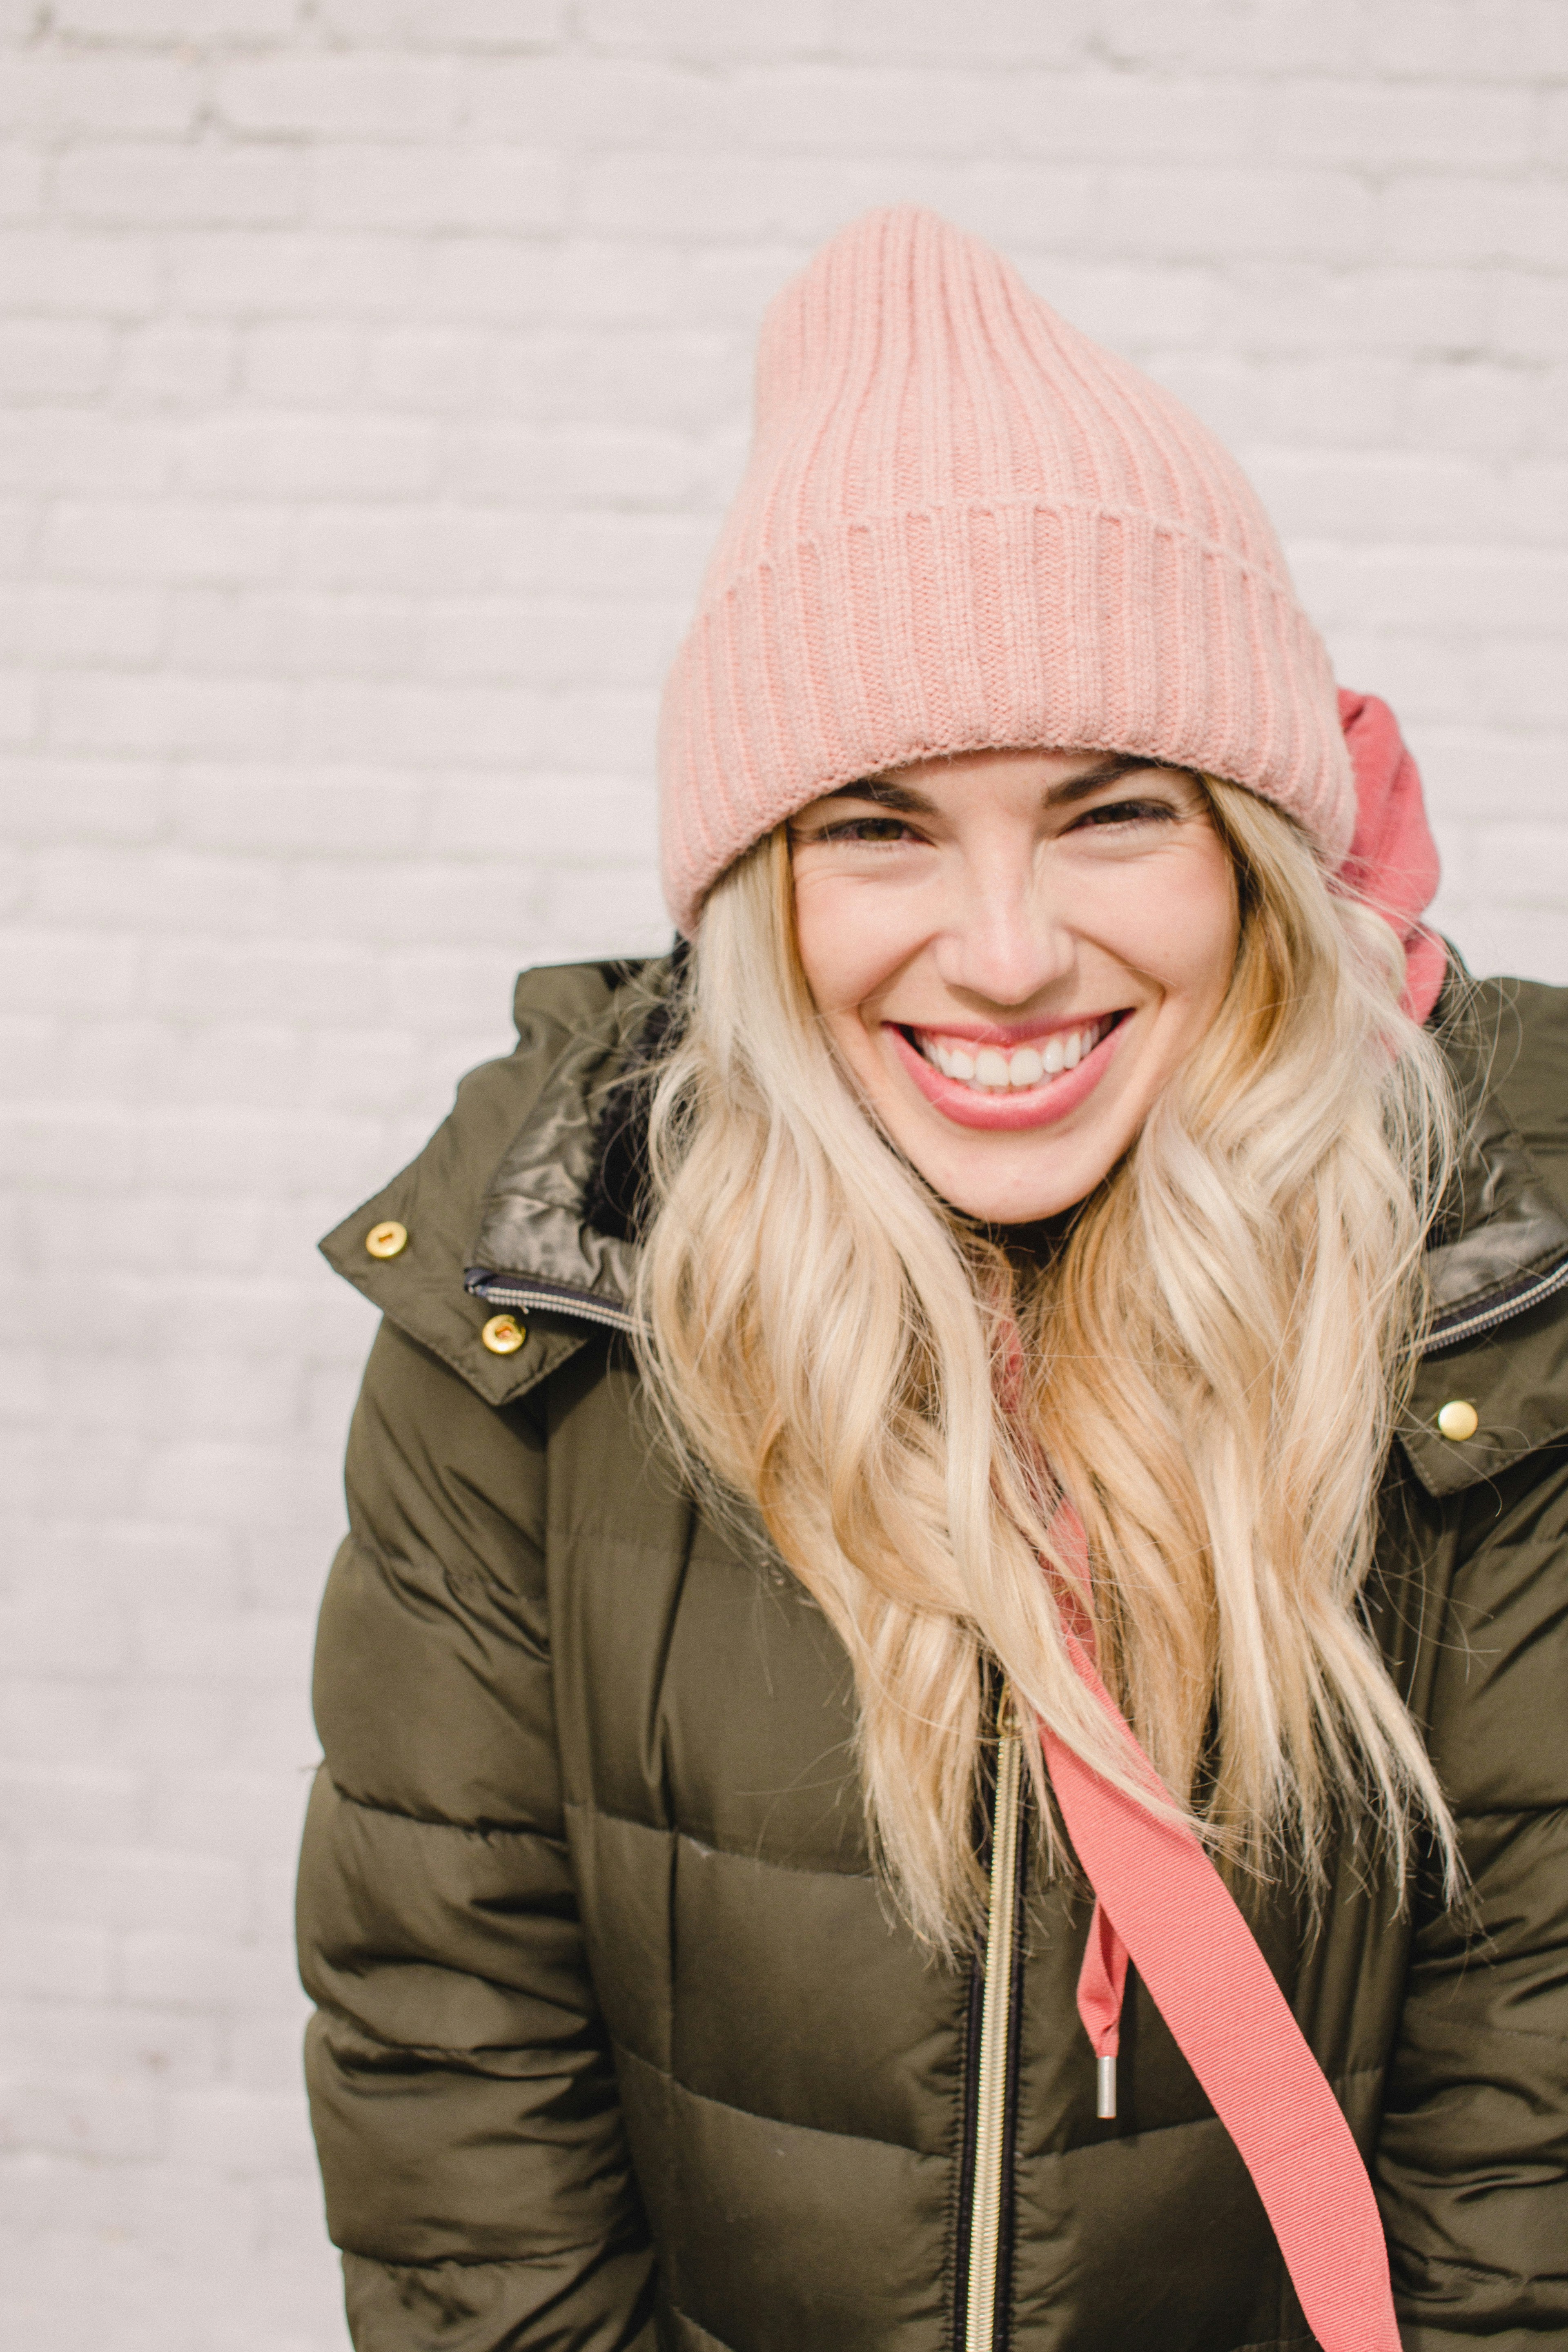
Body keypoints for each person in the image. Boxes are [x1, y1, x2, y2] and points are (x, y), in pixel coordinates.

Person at [297, 208, 1568, 2352]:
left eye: (1110, 816)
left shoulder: (1482, 1300)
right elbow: (453, 2078)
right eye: (879, 828)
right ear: (754, 893)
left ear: (1254, 854)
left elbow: (1531, 2123)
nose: (1000, 951)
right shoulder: (539, 1325)